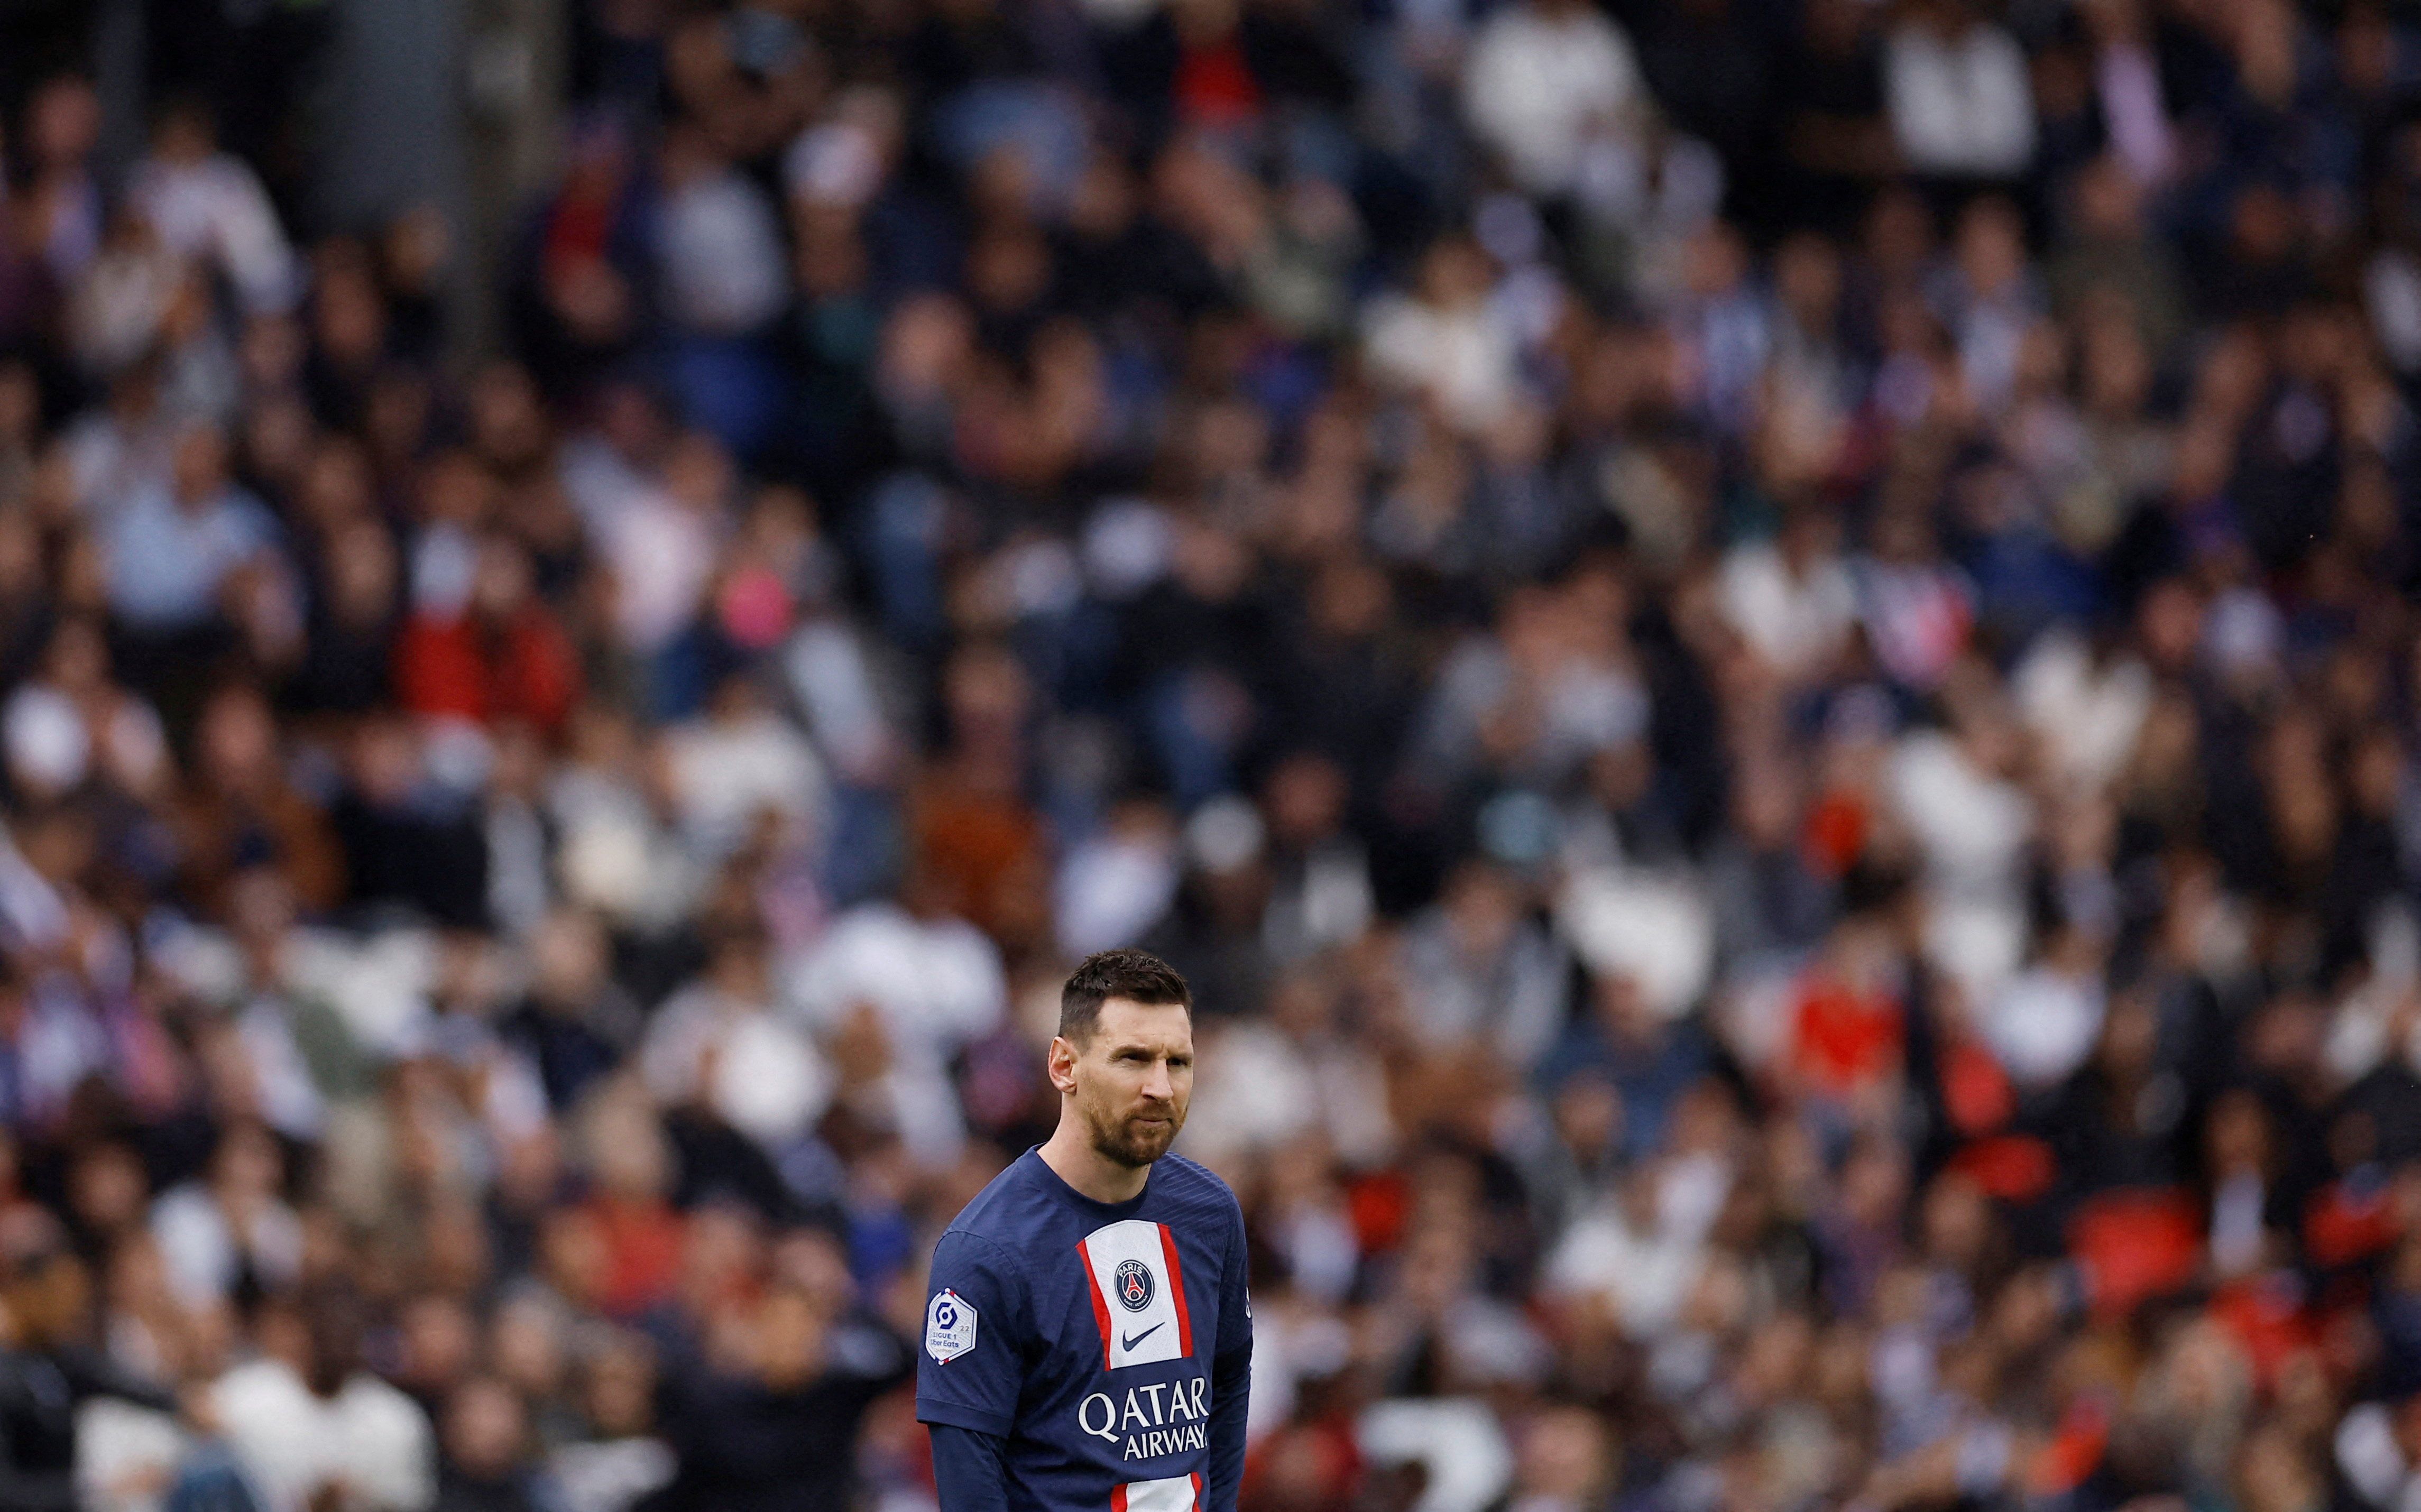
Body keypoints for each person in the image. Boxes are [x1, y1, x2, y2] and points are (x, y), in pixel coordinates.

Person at [916, 951, 1251, 1512]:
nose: (1161, 1088)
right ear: (1064, 1066)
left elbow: (1227, 1382)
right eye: (1133, 1059)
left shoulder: (1210, 1212)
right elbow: (969, 1482)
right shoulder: (984, 1254)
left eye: (1178, 1062)